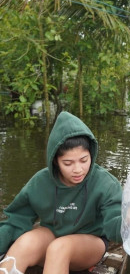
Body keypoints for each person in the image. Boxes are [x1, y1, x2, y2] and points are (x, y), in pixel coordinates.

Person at [0, 112, 123, 273]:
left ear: (91, 155)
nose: (78, 169)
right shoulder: (40, 182)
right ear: (55, 161)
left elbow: (115, 227)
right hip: (51, 234)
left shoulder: (105, 184)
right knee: (25, 242)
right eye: (68, 163)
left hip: (90, 244)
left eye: (84, 160)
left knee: (59, 248)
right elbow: (16, 220)